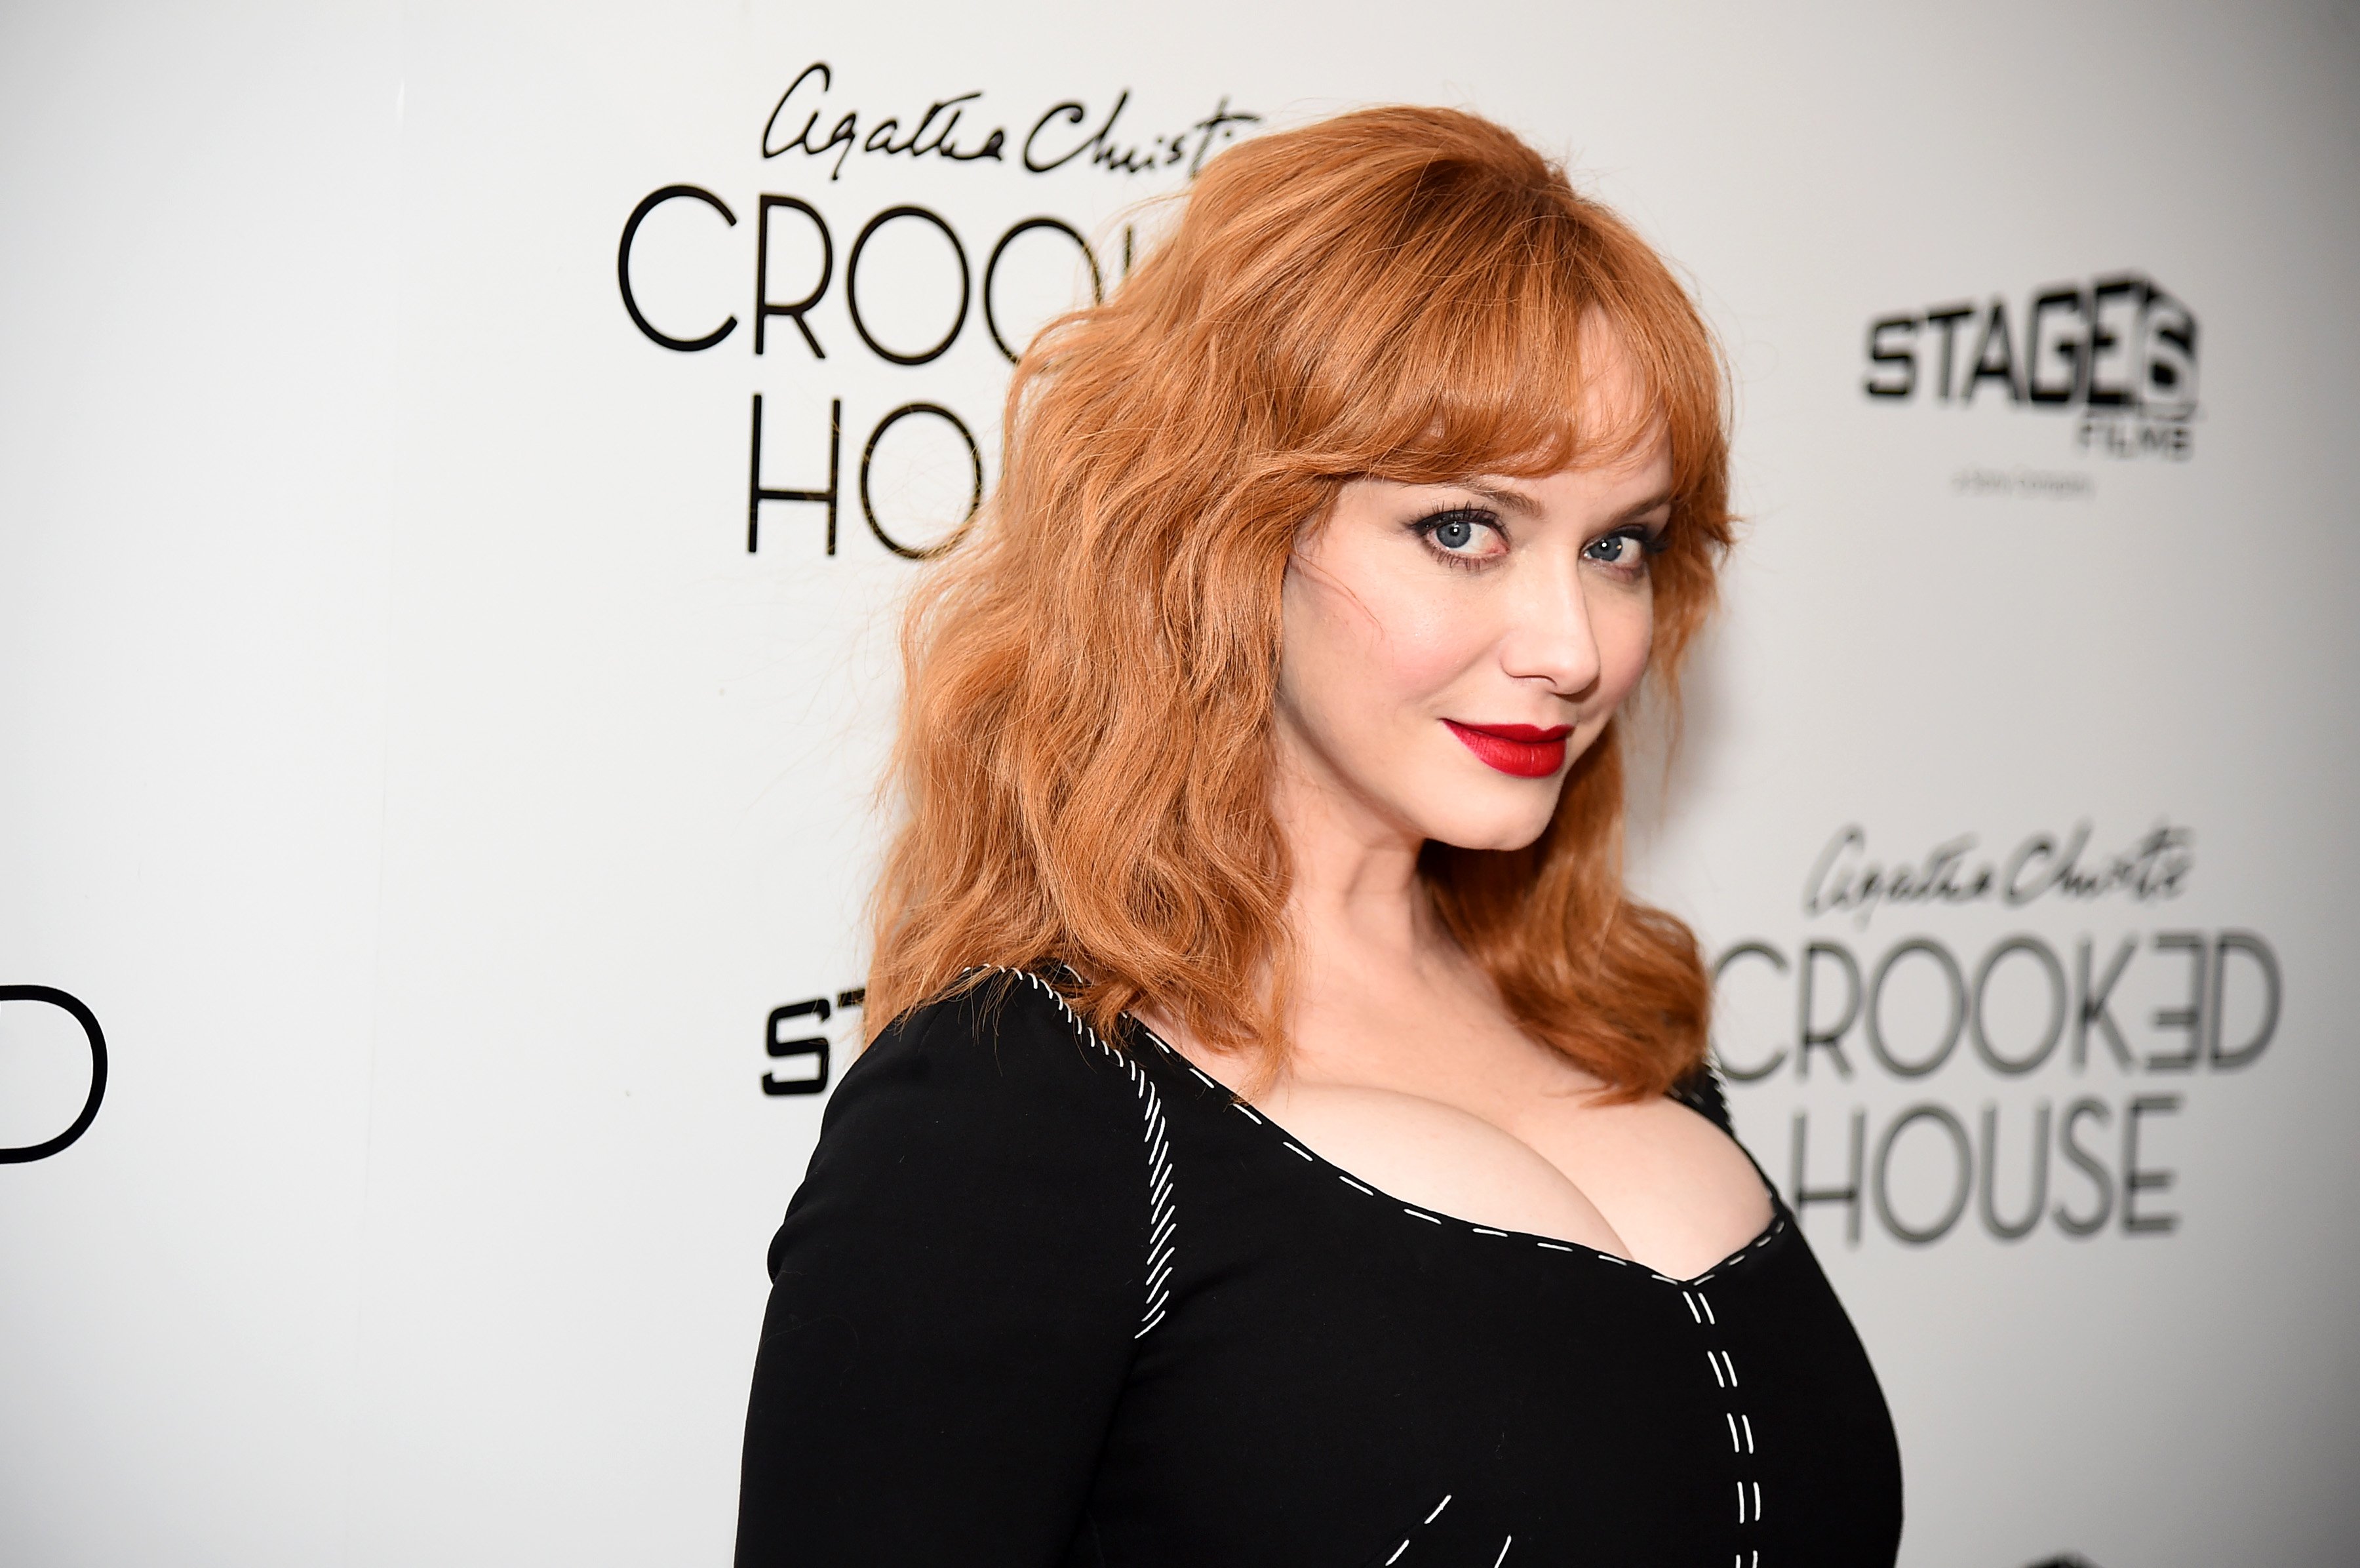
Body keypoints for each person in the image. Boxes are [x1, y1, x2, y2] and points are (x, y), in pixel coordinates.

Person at [735, 104, 1902, 1566]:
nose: (1575, 644)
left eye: (1621, 543)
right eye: (1465, 528)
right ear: (1227, 534)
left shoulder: (1614, 1019)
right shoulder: (1021, 1106)